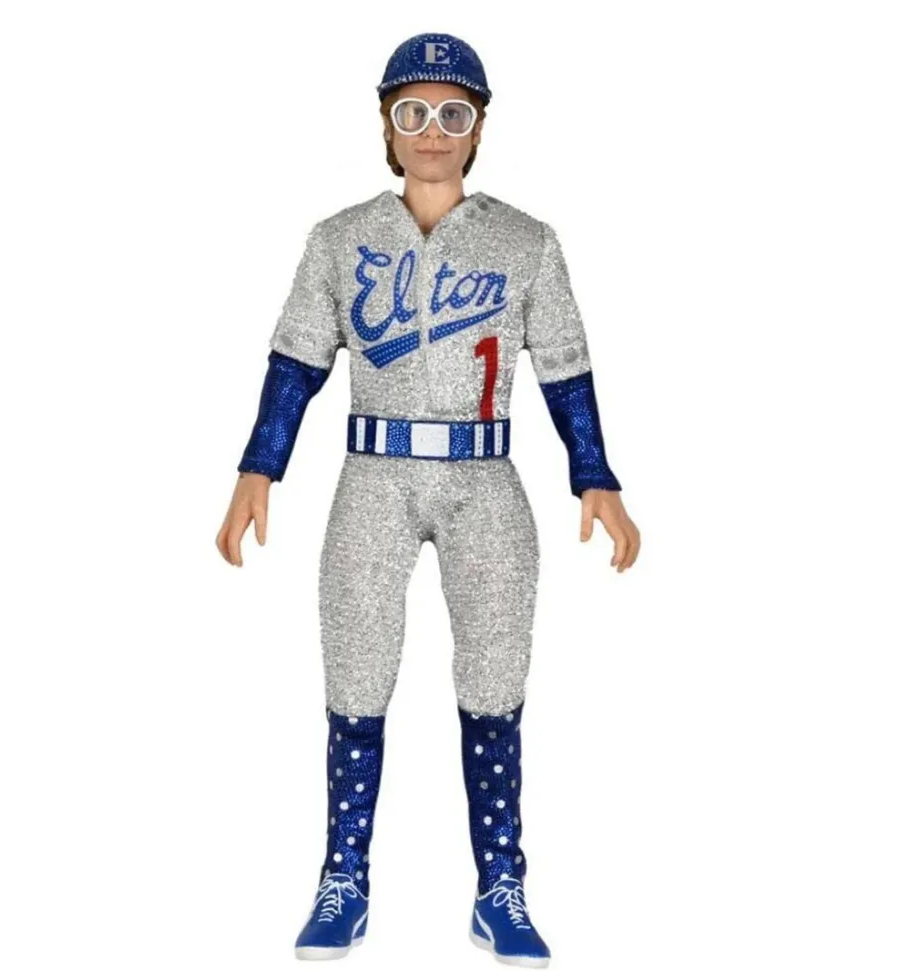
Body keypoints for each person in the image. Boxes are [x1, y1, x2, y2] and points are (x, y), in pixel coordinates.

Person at [216, 32, 640, 967]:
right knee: (355, 671)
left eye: (454, 113)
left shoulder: (526, 241)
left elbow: (565, 369)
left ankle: (500, 886)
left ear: (479, 127)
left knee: (495, 676)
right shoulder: (339, 238)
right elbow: (296, 360)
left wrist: (595, 473)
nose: (434, 131)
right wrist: (260, 464)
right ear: (386, 124)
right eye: (414, 112)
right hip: (373, 472)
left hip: (486, 476)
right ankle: (344, 877)